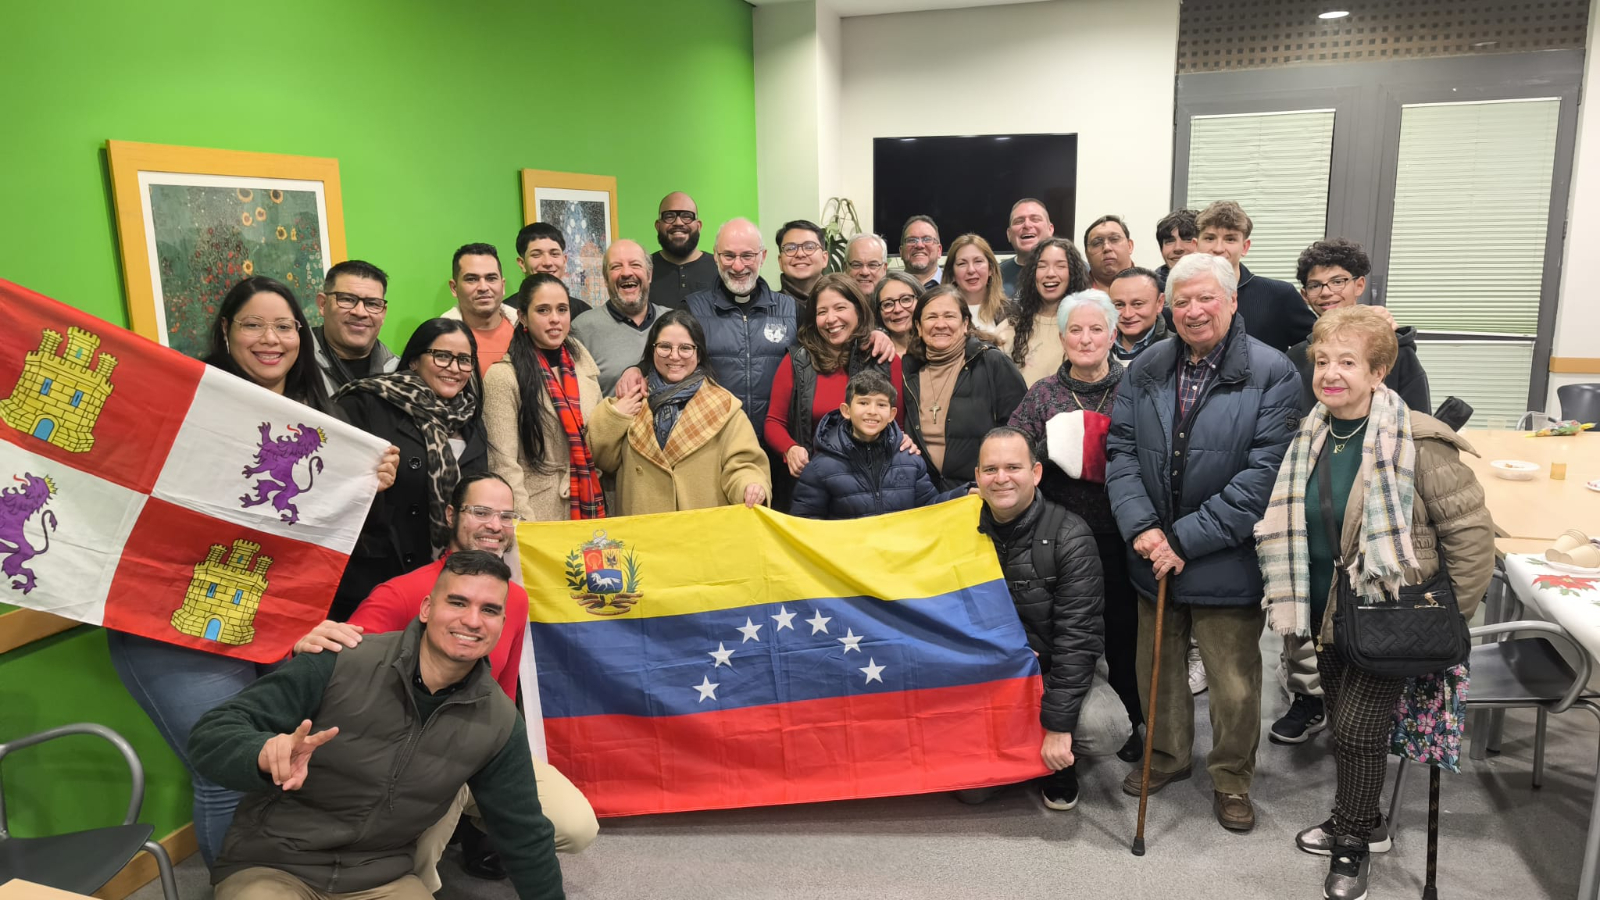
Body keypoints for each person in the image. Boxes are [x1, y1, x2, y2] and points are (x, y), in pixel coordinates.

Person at [106, 276, 397, 870]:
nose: (271, 339)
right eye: (253, 325)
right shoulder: (191, 408)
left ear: (301, 334)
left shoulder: (323, 417)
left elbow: (312, 540)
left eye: (284, 326)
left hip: (269, 622)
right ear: (225, 332)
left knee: (281, 764)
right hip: (177, 624)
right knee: (228, 774)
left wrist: (368, 482)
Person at [1255, 306, 1493, 900]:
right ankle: (1365, 817)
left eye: (1348, 363)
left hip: (1391, 613)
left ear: (1379, 370)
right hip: (1326, 610)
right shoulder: (1309, 434)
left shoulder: (1418, 441)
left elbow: (1471, 538)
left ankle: (1353, 841)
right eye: (1323, 361)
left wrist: (1442, 622)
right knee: (1343, 725)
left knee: (1359, 732)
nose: (1331, 374)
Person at [188, 550, 566, 900]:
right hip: (276, 863)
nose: (471, 620)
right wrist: (260, 753)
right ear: (426, 608)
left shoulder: (498, 721)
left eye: (489, 610)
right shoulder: (339, 661)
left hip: (381, 876)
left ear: (503, 623)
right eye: (457, 602)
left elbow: (524, 833)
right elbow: (212, 733)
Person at [293, 473, 598, 886]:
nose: (495, 525)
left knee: (577, 825)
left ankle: (476, 833)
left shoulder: (515, 599)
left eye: (506, 515)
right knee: (406, 858)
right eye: (481, 512)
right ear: (452, 515)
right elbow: (341, 670)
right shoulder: (399, 593)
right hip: (404, 753)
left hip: (477, 747)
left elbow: (502, 698)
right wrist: (305, 645)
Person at [1104, 252, 1300, 833]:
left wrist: (1182, 540)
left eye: (1206, 298)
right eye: (1182, 300)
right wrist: (1143, 529)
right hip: (1153, 554)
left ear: (1233, 299)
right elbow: (1121, 453)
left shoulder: (1273, 372)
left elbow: (1263, 478)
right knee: (1157, 670)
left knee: (1234, 683)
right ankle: (1165, 756)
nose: (1193, 311)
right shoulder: (1147, 367)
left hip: (1227, 557)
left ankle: (1232, 778)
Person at [1270, 239, 1433, 745]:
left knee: (1361, 620)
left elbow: (1419, 424)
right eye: (1316, 285)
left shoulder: (1395, 349)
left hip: (1375, 498)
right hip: (1317, 482)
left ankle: (1363, 711)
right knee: (1308, 591)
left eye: (1337, 280)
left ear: (1360, 285)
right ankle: (1308, 697)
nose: (1327, 292)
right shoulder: (1300, 354)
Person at [1007, 290, 1144, 764]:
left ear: (1113, 333)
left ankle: (1127, 715)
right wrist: (1052, 450)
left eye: (1095, 329)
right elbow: (1015, 451)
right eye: (1075, 330)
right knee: (1060, 628)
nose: (1085, 339)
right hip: (1054, 537)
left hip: (1120, 534)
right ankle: (1063, 718)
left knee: (1122, 630)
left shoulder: (1136, 387)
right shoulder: (1043, 393)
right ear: (1063, 337)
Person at [970, 427, 1127, 811]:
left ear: (1036, 473)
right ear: (976, 478)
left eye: (1013, 467)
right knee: (969, 794)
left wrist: (1058, 727)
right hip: (989, 675)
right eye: (990, 469)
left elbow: (1078, 640)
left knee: (1107, 729)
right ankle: (1020, 759)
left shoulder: (1070, 535)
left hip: (1053, 668)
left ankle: (1054, 763)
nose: (1001, 478)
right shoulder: (955, 527)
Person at [333, 319, 488, 621]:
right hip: (375, 575)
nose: (454, 368)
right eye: (442, 356)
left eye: (464, 360)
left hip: (446, 579)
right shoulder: (368, 402)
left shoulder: (471, 417)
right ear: (415, 360)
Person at [589, 309, 771, 514]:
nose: (674, 356)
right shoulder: (631, 400)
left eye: (685, 348)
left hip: (699, 532)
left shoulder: (725, 407)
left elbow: (744, 464)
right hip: (641, 530)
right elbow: (601, 459)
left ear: (698, 353)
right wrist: (615, 415)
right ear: (652, 350)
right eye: (664, 347)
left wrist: (750, 486)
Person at [484, 274, 605, 523]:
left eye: (562, 310)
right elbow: (503, 464)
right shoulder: (503, 376)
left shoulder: (584, 367)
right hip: (538, 508)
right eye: (543, 310)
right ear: (522, 316)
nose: (555, 319)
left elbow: (597, 441)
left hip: (589, 500)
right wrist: (525, 525)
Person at [765, 273, 903, 483]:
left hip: (874, 482)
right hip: (816, 482)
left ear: (858, 310)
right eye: (822, 312)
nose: (831, 319)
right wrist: (789, 448)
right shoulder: (797, 361)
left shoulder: (884, 358)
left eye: (840, 308)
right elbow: (774, 422)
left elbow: (899, 426)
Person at [903, 285, 1027, 491]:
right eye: (931, 317)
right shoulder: (909, 370)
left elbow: (1021, 432)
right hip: (924, 497)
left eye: (949, 316)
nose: (940, 324)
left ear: (965, 323)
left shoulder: (991, 363)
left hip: (981, 493)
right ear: (918, 326)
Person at [791, 369, 954, 519]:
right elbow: (805, 522)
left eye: (881, 404)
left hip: (899, 550)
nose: (872, 411)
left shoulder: (910, 460)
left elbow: (930, 509)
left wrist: (966, 493)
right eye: (863, 403)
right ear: (846, 411)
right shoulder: (820, 467)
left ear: (892, 414)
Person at [1195, 201, 1315, 354]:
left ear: (1245, 247)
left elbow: (1317, 347)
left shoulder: (1279, 295)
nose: (1218, 248)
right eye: (1209, 238)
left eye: (1230, 239)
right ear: (1195, 245)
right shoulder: (1180, 298)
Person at [569, 240, 665, 395]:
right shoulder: (581, 329)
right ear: (606, 279)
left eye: (635, 264)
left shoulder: (673, 321)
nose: (626, 273)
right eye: (616, 266)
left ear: (649, 275)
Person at [1005, 237, 1091, 386]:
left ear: (1072, 273)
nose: (1050, 273)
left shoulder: (1087, 326)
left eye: (1060, 266)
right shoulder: (1011, 327)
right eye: (1042, 266)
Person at [311, 260, 398, 395]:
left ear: (383, 313)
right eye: (347, 299)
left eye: (372, 303)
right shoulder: (294, 362)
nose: (360, 312)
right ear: (323, 304)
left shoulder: (397, 374)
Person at [443, 243, 518, 373]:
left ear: (502, 285)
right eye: (472, 279)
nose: (483, 287)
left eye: (491, 278)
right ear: (454, 288)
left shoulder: (527, 330)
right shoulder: (437, 340)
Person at [650, 192, 719, 310]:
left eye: (687, 216)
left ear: (699, 226)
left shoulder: (720, 269)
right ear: (658, 225)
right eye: (669, 216)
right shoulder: (642, 269)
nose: (678, 222)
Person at [942, 233, 1012, 345]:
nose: (971, 270)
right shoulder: (939, 312)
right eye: (962, 263)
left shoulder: (1011, 311)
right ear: (952, 274)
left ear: (991, 269)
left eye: (978, 261)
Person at [511, 223, 590, 320]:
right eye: (536, 255)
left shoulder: (583, 313)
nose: (547, 262)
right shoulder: (506, 312)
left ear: (564, 261)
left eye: (554, 254)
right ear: (522, 264)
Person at [1109, 267, 1168, 362]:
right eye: (1119, 305)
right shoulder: (1095, 348)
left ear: (1160, 303)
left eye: (1137, 304)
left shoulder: (1179, 350)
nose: (1127, 314)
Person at [999, 199, 1055, 298]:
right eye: (1019, 221)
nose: (1027, 225)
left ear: (1050, 229)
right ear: (1009, 234)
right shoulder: (995, 275)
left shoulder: (1077, 271)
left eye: (1035, 219)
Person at [775, 219, 828, 314]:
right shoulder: (767, 308)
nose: (800, 254)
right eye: (790, 248)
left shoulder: (845, 302)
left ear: (824, 258)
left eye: (809, 247)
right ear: (780, 261)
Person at [874, 272, 922, 357]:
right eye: (888, 304)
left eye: (906, 299)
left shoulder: (938, 348)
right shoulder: (870, 354)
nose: (897, 309)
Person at [1084, 215, 1137, 292]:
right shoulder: (1072, 295)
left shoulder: (1153, 288)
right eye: (1097, 243)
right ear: (1087, 254)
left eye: (1114, 239)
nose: (1107, 248)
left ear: (1130, 246)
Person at [1153, 208, 1199, 291]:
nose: (1178, 248)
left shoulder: (1222, 285)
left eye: (1187, 239)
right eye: (1170, 241)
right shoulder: (1148, 290)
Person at [900, 216, 943, 288]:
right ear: (901, 252)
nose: (919, 245)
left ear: (939, 250)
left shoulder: (958, 288)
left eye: (927, 239)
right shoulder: (888, 290)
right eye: (911, 240)